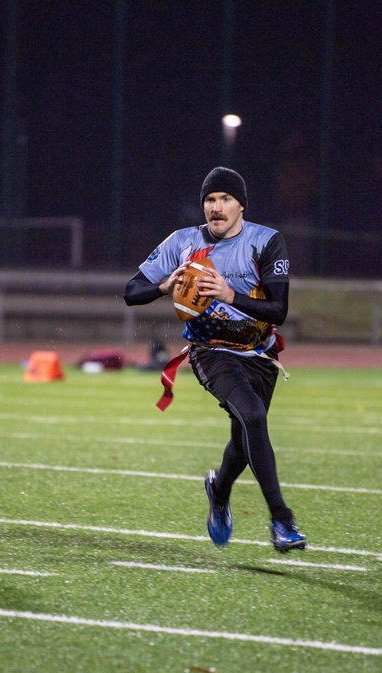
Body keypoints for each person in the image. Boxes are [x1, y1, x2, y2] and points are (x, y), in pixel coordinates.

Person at [123, 166, 306, 553]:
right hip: (211, 351)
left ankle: (218, 490)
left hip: (259, 353)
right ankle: (282, 519)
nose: (216, 207)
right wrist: (163, 285)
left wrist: (228, 294)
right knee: (252, 417)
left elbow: (278, 311)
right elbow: (131, 291)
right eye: (210, 200)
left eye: (225, 199)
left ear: (241, 205)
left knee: (243, 440)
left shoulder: (267, 241)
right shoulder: (182, 243)